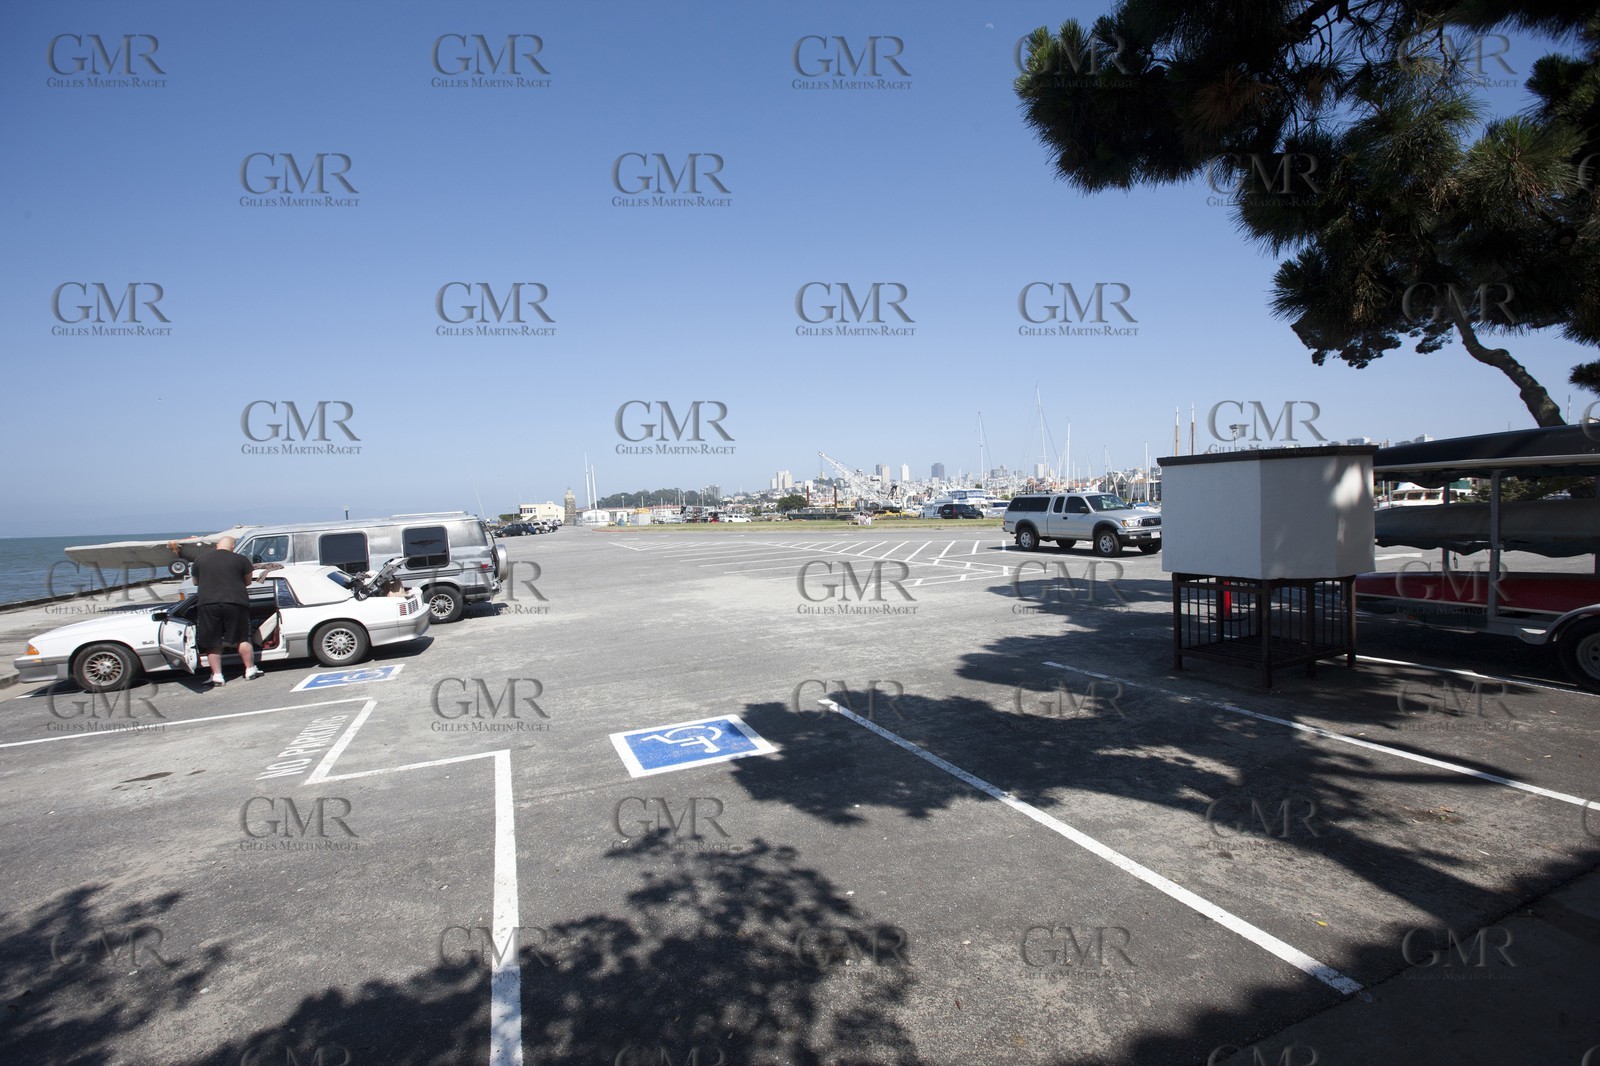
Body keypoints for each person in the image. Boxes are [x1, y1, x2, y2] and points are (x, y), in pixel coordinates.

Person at [190, 535, 279, 687]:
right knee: (242, 638)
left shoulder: (200, 560)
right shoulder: (241, 559)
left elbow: (195, 581)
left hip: (208, 603)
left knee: (213, 641)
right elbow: (248, 581)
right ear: (232, 547)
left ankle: (217, 676)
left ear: (217, 545)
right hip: (235, 601)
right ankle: (250, 670)